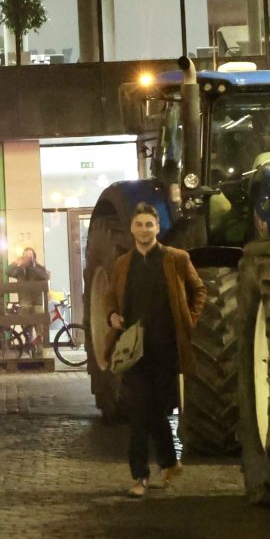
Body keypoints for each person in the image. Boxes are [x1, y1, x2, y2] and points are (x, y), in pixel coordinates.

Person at [105, 204, 205, 497]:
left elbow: (198, 290)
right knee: (139, 412)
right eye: (139, 225)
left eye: (149, 224)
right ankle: (141, 477)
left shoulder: (176, 259)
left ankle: (169, 462)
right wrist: (112, 315)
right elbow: (111, 296)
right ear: (132, 229)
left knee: (157, 410)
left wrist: (190, 321)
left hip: (166, 349)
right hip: (135, 351)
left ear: (158, 227)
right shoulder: (123, 263)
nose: (144, 229)